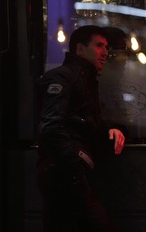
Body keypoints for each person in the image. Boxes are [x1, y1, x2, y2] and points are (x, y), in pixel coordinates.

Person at [36, 25, 126, 232]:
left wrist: (109, 130)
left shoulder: (85, 79)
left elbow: (81, 120)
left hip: (68, 174)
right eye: (99, 46)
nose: (105, 52)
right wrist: (74, 167)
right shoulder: (62, 77)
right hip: (62, 174)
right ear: (80, 49)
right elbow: (51, 127)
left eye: (106, 47)